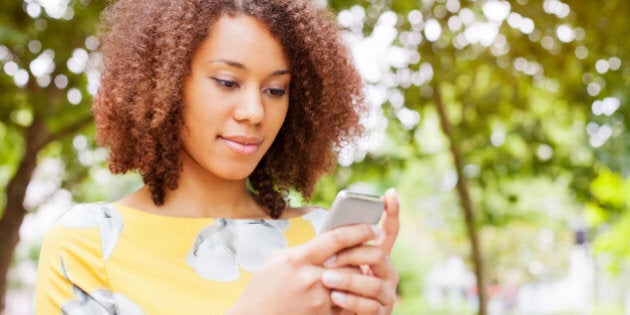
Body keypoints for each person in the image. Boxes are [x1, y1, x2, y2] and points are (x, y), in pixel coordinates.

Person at [35, 0, 400, 313]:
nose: (254, 112)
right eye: (228, 82)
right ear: (166, 81)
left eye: (275, 90)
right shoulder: (87, 245)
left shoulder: (321, 242)